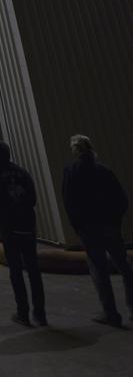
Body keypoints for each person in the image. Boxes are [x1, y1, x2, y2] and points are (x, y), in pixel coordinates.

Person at [62, 134, 133, 328]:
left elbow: (69, 202)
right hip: (110, 226)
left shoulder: (72, 171)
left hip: (89, 229)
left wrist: (78, 227)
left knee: (99, 270)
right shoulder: (104, 171)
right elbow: (121, 199)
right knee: (125, 267)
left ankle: (110, 313)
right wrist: (115, 221)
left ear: (75, 151)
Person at [0, 141, 47, 327]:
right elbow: (32, 199)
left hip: (9, 227)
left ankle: (23, 312)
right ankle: (40, 313)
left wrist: (0, 219)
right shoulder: (22, 173)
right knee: (33, 270)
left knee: (16, 270)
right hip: (27, 225)